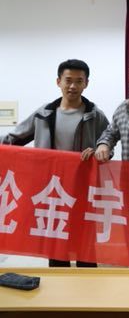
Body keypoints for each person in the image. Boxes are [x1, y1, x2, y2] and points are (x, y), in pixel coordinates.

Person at [1, 59, 108, 268]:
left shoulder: (95, 116)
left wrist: (100, 151)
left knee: (85, 241)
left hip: (83, 187)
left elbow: (108, 142)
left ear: (86, 83)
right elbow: (13, 139)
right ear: (58, 81)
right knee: (57, 241)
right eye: (68, 80)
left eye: (79, 81)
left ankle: (88, 284)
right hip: (52, 189)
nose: (73, 86)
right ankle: (60, 284)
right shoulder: (44, 114)